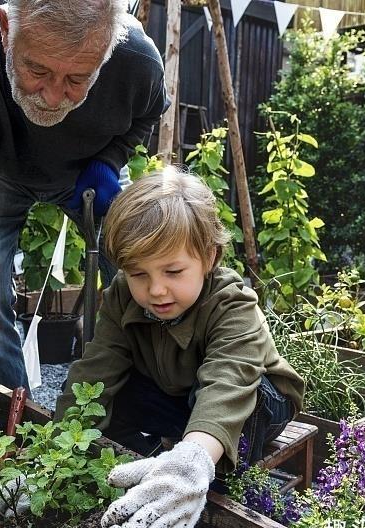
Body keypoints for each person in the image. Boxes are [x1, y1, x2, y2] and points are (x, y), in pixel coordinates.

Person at [0, 0, 169, 455]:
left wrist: (109, 161)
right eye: (37, 70)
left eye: (77, 79)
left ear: (107, 50)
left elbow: (148, 112)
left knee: (149, 266)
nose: (52, 96)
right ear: (8, 29)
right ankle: (13, 429)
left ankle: (148, 406)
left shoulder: (135, 58)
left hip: (88, 171)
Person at [54, 169, 305, 528]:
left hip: (254, 401)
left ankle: (208, 482)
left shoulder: (233, 304)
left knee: (246, 400)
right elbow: (95, 370)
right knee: (111, 394)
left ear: (209, 257)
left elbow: (228, 382)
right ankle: (150, 472)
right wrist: (54, 454)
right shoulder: (122, 296)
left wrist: (195, 458)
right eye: (139, 274)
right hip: (179, 396)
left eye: (172, 272)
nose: (156, 290)